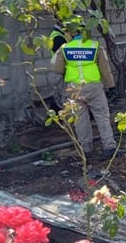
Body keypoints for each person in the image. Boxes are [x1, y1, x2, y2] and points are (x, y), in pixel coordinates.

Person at [51, 23, 121, 159]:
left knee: (80, 119)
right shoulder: (95, 46)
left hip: (74, 89)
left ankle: (86, 149)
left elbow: (56, 69)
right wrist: (111, 86)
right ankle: (109, 147)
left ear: (70, 33)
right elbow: (105, 69)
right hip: (93, 87)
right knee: (102, 116)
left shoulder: (64, 48)